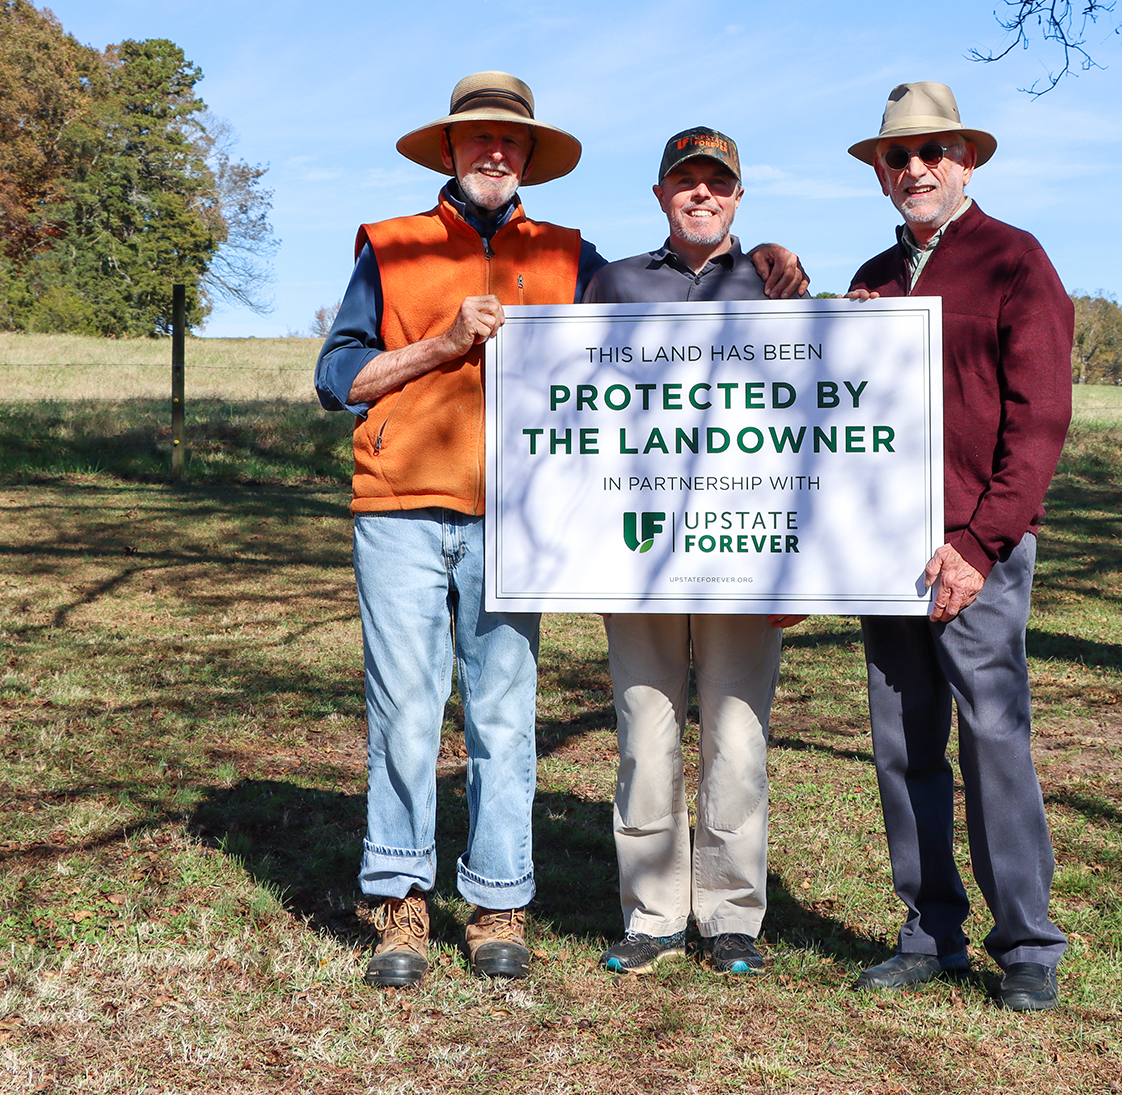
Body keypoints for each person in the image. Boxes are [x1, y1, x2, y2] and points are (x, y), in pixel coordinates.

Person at [313, 75, 806, 989]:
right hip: (400, 508)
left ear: (529, 156)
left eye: (511, 141)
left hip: (519, 522)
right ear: (450, 151)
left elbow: (647, 355)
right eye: (477, 139)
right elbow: (337, 374)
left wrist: (767, 263)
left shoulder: (572, 258)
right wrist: (441, 345)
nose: (495, 152)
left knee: (505, 716)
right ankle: (400, 901)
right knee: (405, 713)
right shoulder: (391, 246)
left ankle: (500, 899)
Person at [842, 81, 1074, 1012]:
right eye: (898, 157)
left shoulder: (1015, 262)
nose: (916, 168)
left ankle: (1026, 943)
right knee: (903, 745)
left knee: (991, 739)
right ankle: (929, 929)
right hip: (884, 550)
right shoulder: (874, 276)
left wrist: (980, 541)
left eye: (933, 152)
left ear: (965, 161)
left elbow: (1041, 422)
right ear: (881, 174)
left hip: (976, 549)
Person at [582, 127, 807, 977]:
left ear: (740, 195)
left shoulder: (776, 280)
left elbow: (808, 417)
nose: (702, 194)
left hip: (745, 551)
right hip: (636, 548)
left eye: (719, 182)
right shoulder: (615, 283)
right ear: (661, 195)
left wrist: (801, 564)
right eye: (687, 182)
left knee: (738, 737)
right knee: (646, 731)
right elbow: (576, 411)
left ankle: (730, 913)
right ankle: (652, 912)